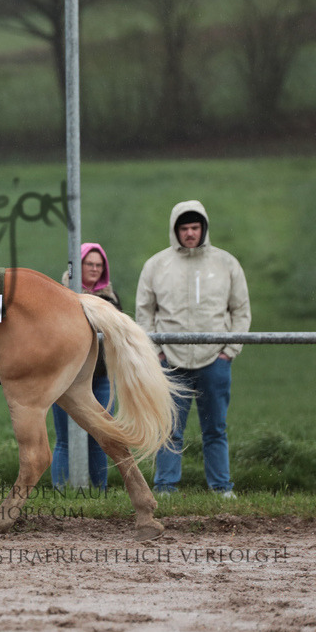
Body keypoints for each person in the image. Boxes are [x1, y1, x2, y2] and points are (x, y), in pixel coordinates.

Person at [136, 200, 251, 497]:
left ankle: (222, 488)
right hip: (170, 361)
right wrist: (157, 353)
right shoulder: (156, 265)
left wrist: (229, 352)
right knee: (169, 428)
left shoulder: (226, 264)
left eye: (195, 227)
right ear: (175, 230)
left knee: (215, 429)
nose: (190, 233)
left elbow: (241, 311)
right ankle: (165, 486)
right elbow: (144, 313)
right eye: (184, 228)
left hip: (215, 360)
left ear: (204, 228)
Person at [50, 243, 119, 491]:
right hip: (66, 378)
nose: (93, 269)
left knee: (100, 437)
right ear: (78, 266)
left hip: (101, 378)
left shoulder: (110, 299)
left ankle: (100, 492)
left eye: (98, 265)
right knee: (65, 439)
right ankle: (62, 491)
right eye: (88, 264)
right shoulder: (62, 295)